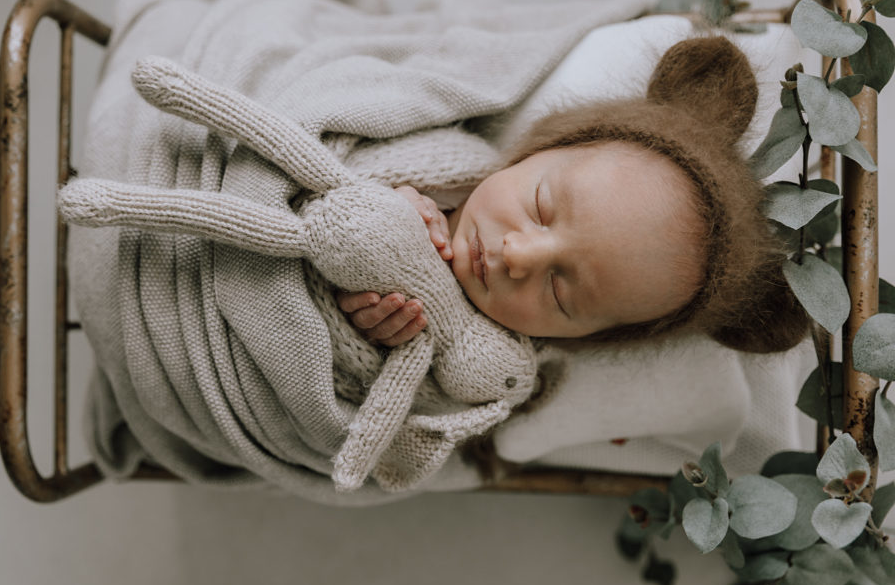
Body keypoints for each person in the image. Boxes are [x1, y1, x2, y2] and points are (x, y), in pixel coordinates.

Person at [337, 36, 810, 354]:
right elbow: (336, 155)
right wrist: (383, 208)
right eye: (540, 207)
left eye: (560, 293)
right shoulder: (443, 158)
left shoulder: (489, 358)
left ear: (581, 337)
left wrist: (372, 338)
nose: (518, 255)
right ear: (536, 153)